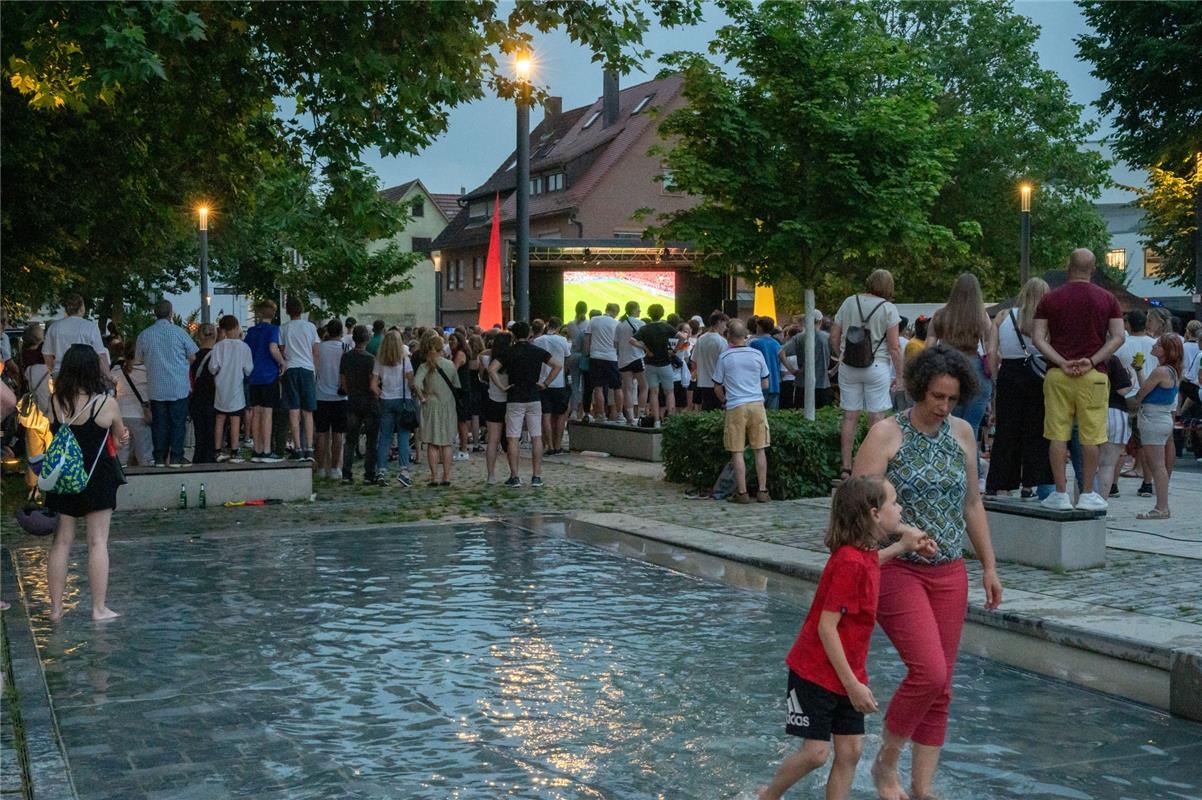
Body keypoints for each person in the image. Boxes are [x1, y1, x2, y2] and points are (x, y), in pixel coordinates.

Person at [852, 345, 1002, 800]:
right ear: (919, 389)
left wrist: (990, 567)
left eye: (952, 399)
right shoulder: (886, 434)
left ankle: (922, 788)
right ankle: (886, 762)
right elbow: (859, 508)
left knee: (942, 687)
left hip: (950, 571)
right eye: (937, 396)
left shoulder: (961, 434)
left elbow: (972, 503)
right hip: (899, 567)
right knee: (929, 673)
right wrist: (900, 535)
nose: (944, 407)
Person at [759, 477, 936, 800]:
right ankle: (767, 795)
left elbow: (870, 567)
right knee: (816, 754)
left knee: (851, 751)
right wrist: (853, 686)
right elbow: (827, 628)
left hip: (846, 671)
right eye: (893, 503)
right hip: (814, 672)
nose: (900, 509)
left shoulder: (861, 553)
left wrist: (902, 546)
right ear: (873, 514)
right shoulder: (849, 562)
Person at [1031, 248, 1125, 511]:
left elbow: (1038, 338)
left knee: (1057, 434)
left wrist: (1060, 360)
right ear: (1093, 269)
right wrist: (1093, 360)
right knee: (1091, 436)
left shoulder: (1051, 298)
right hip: (1093, 375)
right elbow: (1118, 336)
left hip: (1058, 374)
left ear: (1068, 266)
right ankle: (1087, 494)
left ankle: (1060, 493)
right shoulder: (1108, 299)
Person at [45, 344, 130, 622]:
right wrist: (122, 436)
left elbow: (52, 431)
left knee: (61, 542)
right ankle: (98, 608)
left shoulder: (55, 401)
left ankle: (56, 609)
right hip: (97, 478)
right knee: (97, 542)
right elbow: (118, 438)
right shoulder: (106, 404)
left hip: (64, 478)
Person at [830, 270, 904, 478]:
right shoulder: (889, 309)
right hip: (877, 365)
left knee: (850, 416)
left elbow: (833, 337)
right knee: (877, 417)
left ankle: (846, 467)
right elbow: (894, 346)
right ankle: (873, 465)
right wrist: (900, 376)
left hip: (849, 366)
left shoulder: (849, 302)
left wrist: (841, 354)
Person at [985, 278, 1052, 497]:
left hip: (1010, 373)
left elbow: (992, 351)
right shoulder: (1047, 318)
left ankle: (1001, 482)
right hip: (1039, 373)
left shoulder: (1004, 316)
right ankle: (1030, 483)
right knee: (1037, 430)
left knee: (1007, 430)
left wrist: (996, 376)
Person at [493, 320, 560, 487]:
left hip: (515, 396)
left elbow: (492, 369)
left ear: (513, 335)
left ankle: (514, 475)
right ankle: (536, 475)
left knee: (513, 437)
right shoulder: (537, 351)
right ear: (529, 333)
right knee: (536, 436)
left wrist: (502, 386)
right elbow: (557, 365)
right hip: (534, 395)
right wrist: (545, 383)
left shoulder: (508, 352)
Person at [135, 300, 198, 467]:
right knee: (178, 422)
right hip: (178, 385)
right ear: (170, 313)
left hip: (156, 386)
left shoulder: (145, 334)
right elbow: (193, 355)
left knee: (159, 423)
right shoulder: (179, 332)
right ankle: (176, 456)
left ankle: (159, 457)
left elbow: (138, 359)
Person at [713, 319, 770, 503]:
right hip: (757, 404)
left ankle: (742, 493)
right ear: (745, 335)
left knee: (737, 451)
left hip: (736, 405)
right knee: (760, 449)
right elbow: (765, 382)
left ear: (729, 336)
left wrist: (725, 400)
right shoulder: (756, 354)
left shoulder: (725, 357)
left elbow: (717, 386)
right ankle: (763, 490)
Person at [1130, 334, 1182, 520]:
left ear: (1166, 350)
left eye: (1158, 345)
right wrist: (1139, 371)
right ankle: (1162, 506)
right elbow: (1149, 389)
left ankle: (1161, 507)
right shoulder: (1171, 371)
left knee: (1156, 465)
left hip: (1153, 418)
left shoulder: (1161, 371)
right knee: (1157, 464)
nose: (1154, 345)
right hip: (1161, 418)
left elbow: (1141, 394)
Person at [206, 315, 254, 464]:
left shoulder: (218, 346)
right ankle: (234, 452)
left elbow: (212, 368)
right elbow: (248, 369)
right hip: (236, 388)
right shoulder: (244, 347)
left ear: (223, 330)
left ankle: (217, 451)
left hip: (221, 388)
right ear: (237, 327)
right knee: (235, 419)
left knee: (220, 419)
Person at [371, 329, 415, 486]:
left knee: (385, 437)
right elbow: (411, 382)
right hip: (403, 400)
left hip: (386, 400)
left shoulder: (379, 360)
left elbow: (373, 385)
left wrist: (381, 392)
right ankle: (404, 471)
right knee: (403, 436)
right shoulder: (405, 360)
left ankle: (381, 471)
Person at [243, 299, 286, 463]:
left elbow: (246, 350)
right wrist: (282, 362)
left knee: (256, 412)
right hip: (269, 375)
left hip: (254, 376)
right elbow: (273, 348)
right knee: (268, 413)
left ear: (259, 313)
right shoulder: (273, 330)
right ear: (274, 314)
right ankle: (267, 450)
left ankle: (257, 450)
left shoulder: (252, 331)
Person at [415, 334, 460, 486]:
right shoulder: (450, 365)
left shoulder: (425, 366)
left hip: (431, 405)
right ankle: (446, 476)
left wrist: (422, 397)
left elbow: (416, 383)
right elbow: (456, 385)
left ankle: (434, 476)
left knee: (432, 443)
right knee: (446, 443)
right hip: (448, 404)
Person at [280, 296, 320, 462]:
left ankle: (297, 447)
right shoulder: (310, 327)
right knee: (308, 411)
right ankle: (309, 447)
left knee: (293, 410)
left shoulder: (283, 328)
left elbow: (282, 350)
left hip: (291, 369)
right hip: (307, 369)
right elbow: (316, 350)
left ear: (288, 311)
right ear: (302, 310)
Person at [339, 325, 380, 484]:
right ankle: (369, 474)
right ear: (367, 339)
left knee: (350, 439)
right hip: (369, 401)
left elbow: (343, 382)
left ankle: (346, 474)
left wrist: (350, 391)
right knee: (371, 440)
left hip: (353, 400)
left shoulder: (346, 357)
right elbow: (372, 381)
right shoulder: (370, 359)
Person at [312, 318, 347, 479]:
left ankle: (320, 468)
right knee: (338, 434)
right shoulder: (345, 348)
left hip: (321, 394)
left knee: (321, 433)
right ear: (341, 332)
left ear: (327, 331)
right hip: (340, 396)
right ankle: (335, 468)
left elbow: (315, 369)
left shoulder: (319, 348)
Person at [21, 324, 54, 497]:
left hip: (33, 414)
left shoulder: (28, 367)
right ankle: (51, 483)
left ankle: (34, 488)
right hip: (49, 412)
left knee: (34, 451)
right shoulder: (50, 369)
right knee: (51, 449)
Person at [43, 292, 108, 377]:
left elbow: (47, 354)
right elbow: (100, 355)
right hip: (85, 372)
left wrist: (53, 370)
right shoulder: (90, 327)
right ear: (81, 308)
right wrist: (108, 376)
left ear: (66, 309)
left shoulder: (54, 327)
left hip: (61, 372)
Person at [632, 304, 677, 425]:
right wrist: (674, 351)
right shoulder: (666, 327)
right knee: (669, 392)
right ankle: (671, 420)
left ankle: (656, 420)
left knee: (653, 392)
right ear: (662, 313)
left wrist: (645, 348)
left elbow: (632, 340)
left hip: (650, 364)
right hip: (665, 363)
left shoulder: (645, 328)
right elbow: (682, 337)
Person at [780, 311, 833, 410]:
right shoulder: (827, 337)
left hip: (802, 384)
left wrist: (793, 371)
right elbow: (843, 353)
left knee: (801, 414)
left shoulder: (799, 337)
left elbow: (781, 353)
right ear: (820, 321)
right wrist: (833, 371)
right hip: (823, 383)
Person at [534, 317, 572, 452]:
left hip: (541, 380)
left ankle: (548, 445)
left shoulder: (537, 341)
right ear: (559, 327)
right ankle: (557, 445)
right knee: (561, 415)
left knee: (546, 414)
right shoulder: (562, 341)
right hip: (558, 382)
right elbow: (567, 360)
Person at [481, 332, 512, 485]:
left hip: (493, 400)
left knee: (493, 440)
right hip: (510, 402)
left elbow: (482, 354)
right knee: (511, 439)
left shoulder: (487, 359)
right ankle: (514, 472)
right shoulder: (512, 359)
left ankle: (491, 475)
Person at [188, 324, 219, 465]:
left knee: (199, 433)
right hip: (215, 399)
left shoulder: (192, 358)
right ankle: (210, 458)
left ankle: (198, 459)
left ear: (199, 336)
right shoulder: (218, 356)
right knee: (213, 432)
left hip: (197, 400)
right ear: (215, 335)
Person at [585, 303, 621, 421]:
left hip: (595, 357)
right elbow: (618, 343)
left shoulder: (594, 320)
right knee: (617, 387)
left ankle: (601, 415)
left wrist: (587, 353)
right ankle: (620, 414)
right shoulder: (617, 323)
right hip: (611, 357)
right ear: (616, 313)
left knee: (598, 388)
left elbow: (587, 339)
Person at [692, 311, 729, 411]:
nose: (725, 328)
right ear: (719, 322)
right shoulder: (722, 341)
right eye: (725, 324)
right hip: (719, 383)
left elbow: (694, 360)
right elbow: (726, 363)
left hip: (703, 382)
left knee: (707, 409)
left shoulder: (701, 339)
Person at [750, 316, 783, 410]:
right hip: (775, 383)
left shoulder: (754, 343)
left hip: (759, 384)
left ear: (760, 327)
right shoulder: (776, 344)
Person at [449, 332, 473, 462]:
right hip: (462, 389)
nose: (450, 342)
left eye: (452, 340)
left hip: (461, 390)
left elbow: (453, 370)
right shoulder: (459, 353)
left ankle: (463, 449)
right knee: (461, 420)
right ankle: (462, 447)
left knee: (462, 421)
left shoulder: (459, 354)